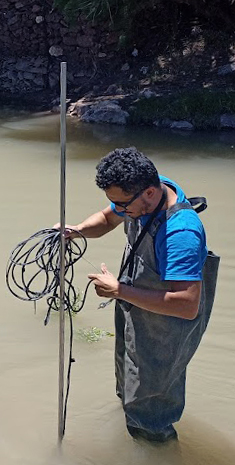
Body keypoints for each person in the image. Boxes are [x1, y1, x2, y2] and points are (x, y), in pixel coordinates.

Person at [65, 147, 219, 442]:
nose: (119, 211)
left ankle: (158, 451)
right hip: (136, 309)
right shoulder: (147, 190)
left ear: (149, 192)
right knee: (129, 385)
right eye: (114, 203)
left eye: (122, 205)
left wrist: (119, 290)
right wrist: (76, 230)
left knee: (152, 410)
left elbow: (187, 305)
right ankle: (132, 428)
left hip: (167, 328)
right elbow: (107, 219)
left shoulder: (181, 233)